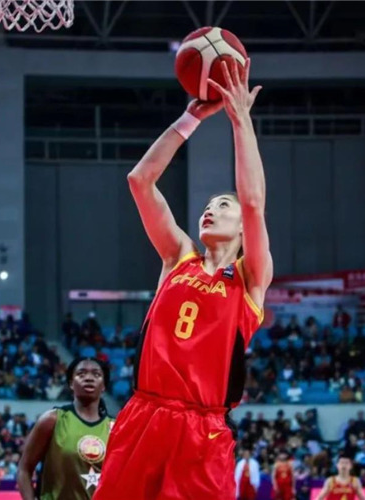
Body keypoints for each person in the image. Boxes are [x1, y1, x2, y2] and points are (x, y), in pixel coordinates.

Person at [93, 59, 271, 500]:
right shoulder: (178, 258)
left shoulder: (249, 278)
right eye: (208, 206)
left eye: (223, 206)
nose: (211, 210)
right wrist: (190, 119)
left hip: (203, 430)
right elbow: (140, 180)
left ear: (243, 229)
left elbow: (253, 201)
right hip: (144, 415)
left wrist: (240, 120)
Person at [18, 357, 113, 500]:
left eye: (96, 374)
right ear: (71, 383)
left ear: (104, 385)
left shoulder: (116, 427)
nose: (89, 378)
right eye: (81, 374)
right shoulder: (52, 419)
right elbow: (24, 469)